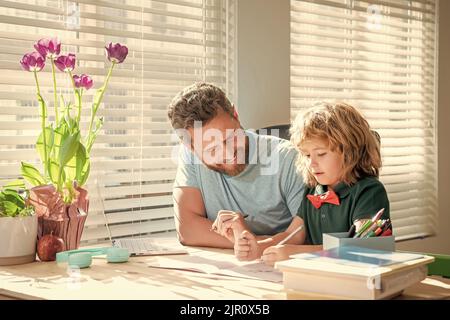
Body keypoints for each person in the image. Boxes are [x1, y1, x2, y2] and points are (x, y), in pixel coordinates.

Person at [234, 101, 391, 265]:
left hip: (356, 283)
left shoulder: (370, 192)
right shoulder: (313, 190)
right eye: (307, 156)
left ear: (350, 152)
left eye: (321, 154)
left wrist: (296, 254)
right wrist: (260, 247)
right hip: (317, 279)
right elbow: (293, 235)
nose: (312, 163)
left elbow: (362, 251)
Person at [168, 82, 305, 256]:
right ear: (191, 148)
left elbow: (302, 232)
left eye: (231, 138)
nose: (229, 153)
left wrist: (252, 244)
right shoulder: (190, 157)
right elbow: (187, 229)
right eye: (212, 150)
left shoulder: (287, 157)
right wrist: (243, 241)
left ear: (235, 114)